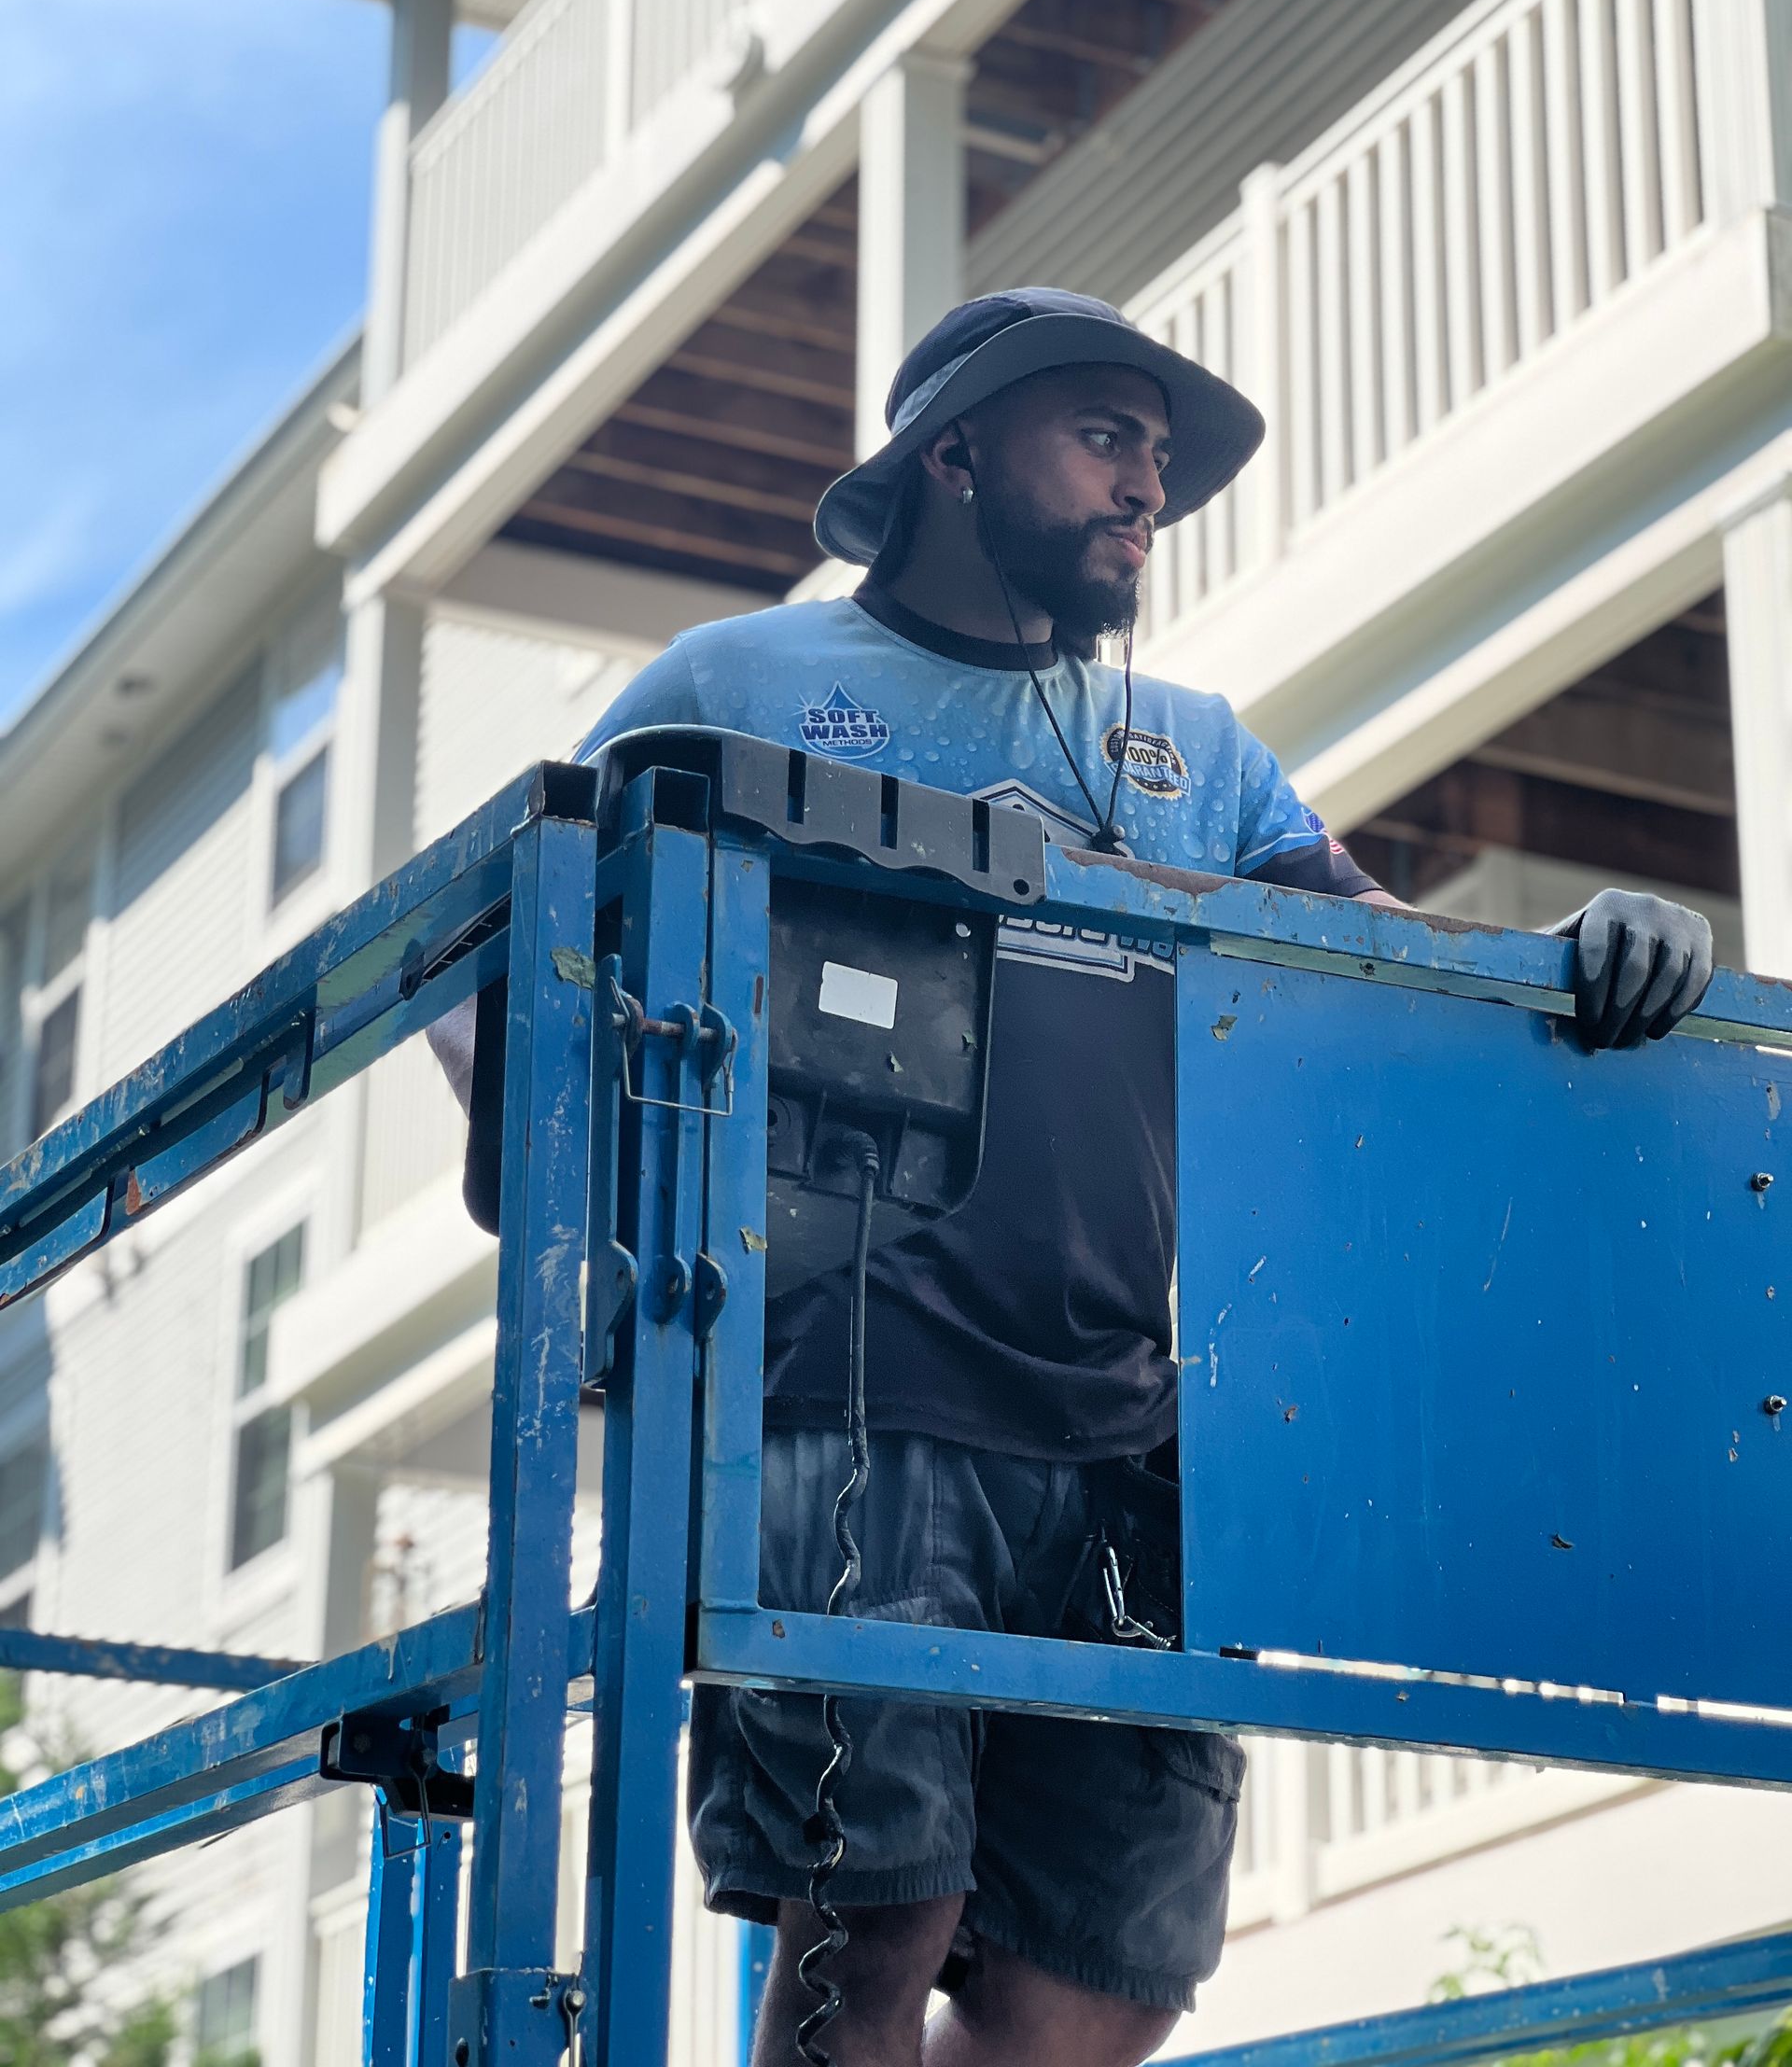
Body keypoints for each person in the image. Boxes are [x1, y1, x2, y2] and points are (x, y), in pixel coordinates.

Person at [439, 288, 1714, 2065]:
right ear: (951, 453)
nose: (1147, 490)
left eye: (1161, 460)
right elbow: (508, 976)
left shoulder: (1195, 746)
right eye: (1105, 437)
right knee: (868, 1942)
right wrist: (604, 1244)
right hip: (842, 1406)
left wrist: (1587, 948)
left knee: (1101, 1991)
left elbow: (1397, 976)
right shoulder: (739, 683)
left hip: (1126, 1422)